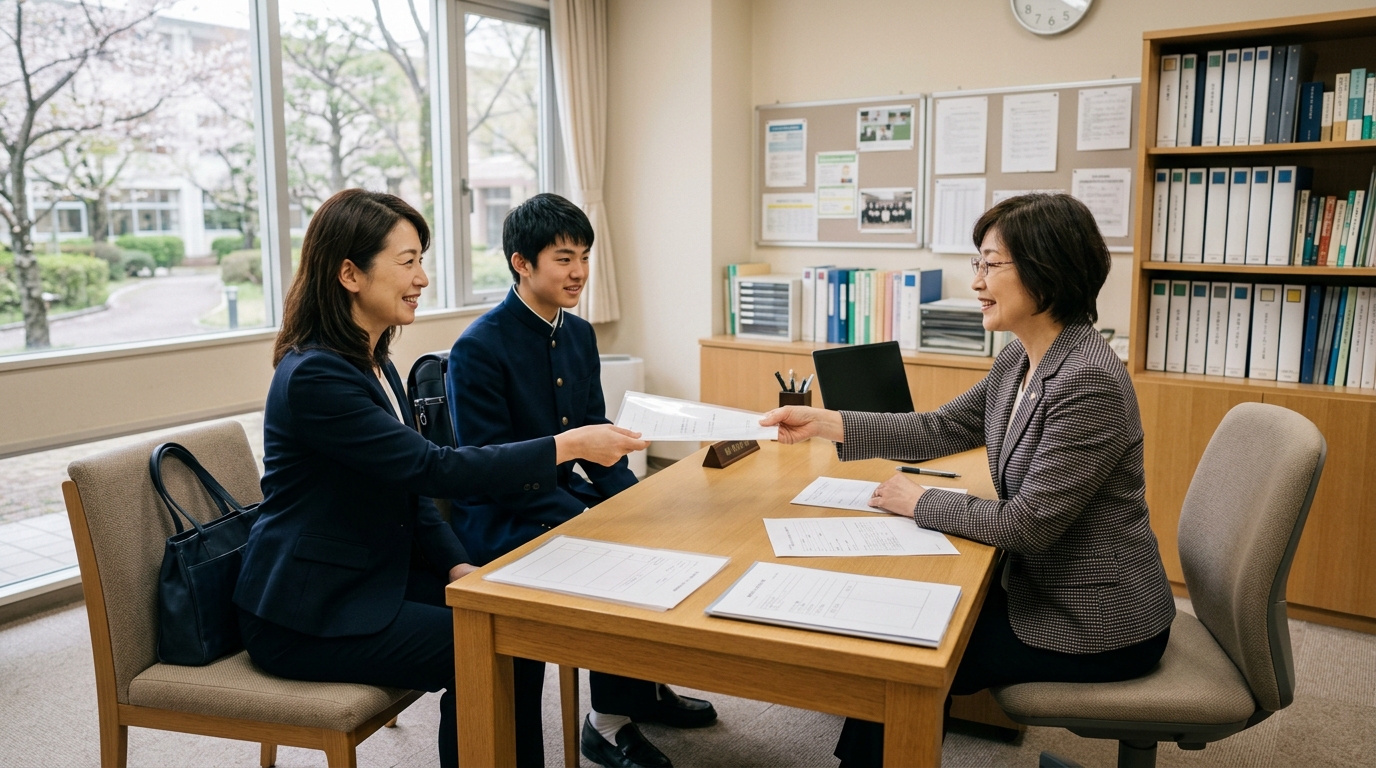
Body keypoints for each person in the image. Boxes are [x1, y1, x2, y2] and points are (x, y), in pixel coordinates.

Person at [233, 189, 649, 768]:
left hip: (372, 573)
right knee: (486, 646)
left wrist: (458, 566)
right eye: (407, 262)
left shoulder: (372, 362)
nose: (422, 278)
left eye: (420, 261)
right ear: (349, 273)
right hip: (309, 608)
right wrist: (568, 445)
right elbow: (436, 467)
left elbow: (412, 489)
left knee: (513, 619)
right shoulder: (316, 377)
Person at [760, 193, 1176, 768]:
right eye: (977, 263)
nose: (976, 279)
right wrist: (824, 422)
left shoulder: (1087, 380)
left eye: (989, 263)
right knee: (894, 621)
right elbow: (940, 429)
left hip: (1093, 620)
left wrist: (922, 500)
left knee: (896, 648)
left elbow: (1027, 525)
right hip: (1042, 588)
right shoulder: (1022, 357)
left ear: (1044, 268)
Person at [447, 193, 717, 768]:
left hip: (558, 495)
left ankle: (637, 688)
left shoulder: (577, 334)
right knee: (620, 554)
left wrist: (641, 497)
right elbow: (488, 467)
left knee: (661, 526)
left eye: (585, 258)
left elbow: (599, 444)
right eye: (564, 258)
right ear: (521, 262)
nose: (579, 273)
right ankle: (608, 724)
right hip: (500, 515)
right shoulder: (478, 346)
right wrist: (603, 509)